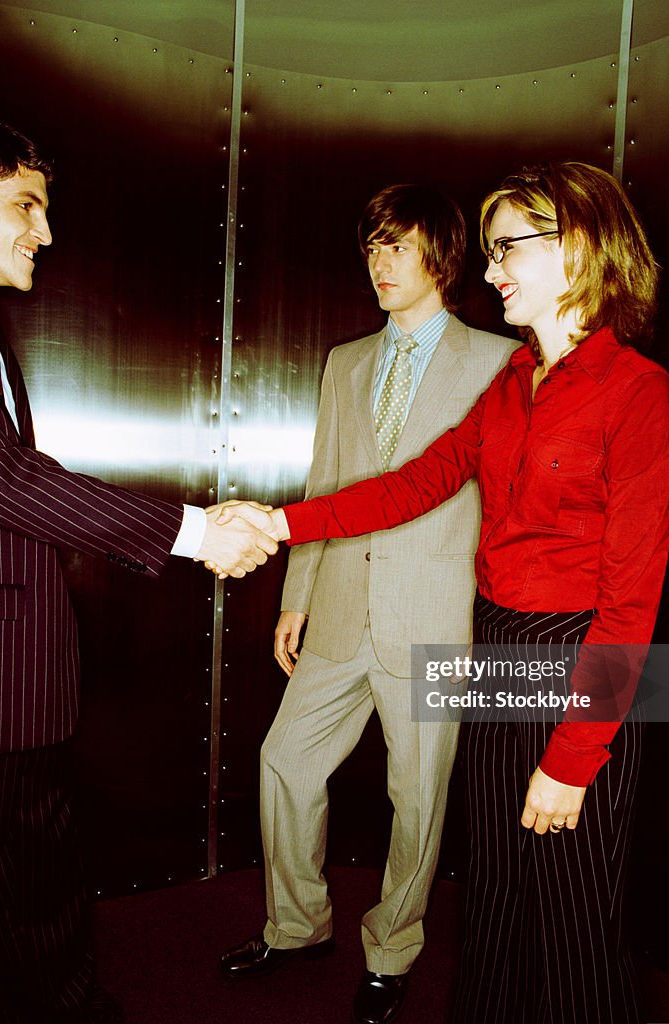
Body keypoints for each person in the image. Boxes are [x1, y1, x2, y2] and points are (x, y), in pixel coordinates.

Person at [216, 161, 669, 1024]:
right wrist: (277, 525)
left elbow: (630, 604)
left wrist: (574, 760)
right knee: (497, 895)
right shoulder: (513, 384)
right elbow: (408, 485)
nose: (491, 269)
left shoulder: (634, 389)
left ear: (577, 248)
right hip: (499, 643)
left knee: (572, 908)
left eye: (508, 249)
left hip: (575, 658)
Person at [0, 117, 275, 1024]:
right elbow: (3, 480)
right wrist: (194, 532)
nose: (46, 231)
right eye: (27, 206)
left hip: (23, 690)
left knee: (44, 922)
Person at [219, 184, 516, 1024]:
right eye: (373, 247)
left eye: (399, 246)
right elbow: (327, 485)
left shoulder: (499, 361)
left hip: (436, 616)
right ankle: (297, 923)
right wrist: (296, 595)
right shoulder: (344, 362)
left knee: (417, 794)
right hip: (342, 606)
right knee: (285, 761)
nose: (380, 263)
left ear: (443, 258)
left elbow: (501, 500)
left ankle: (392, 947)